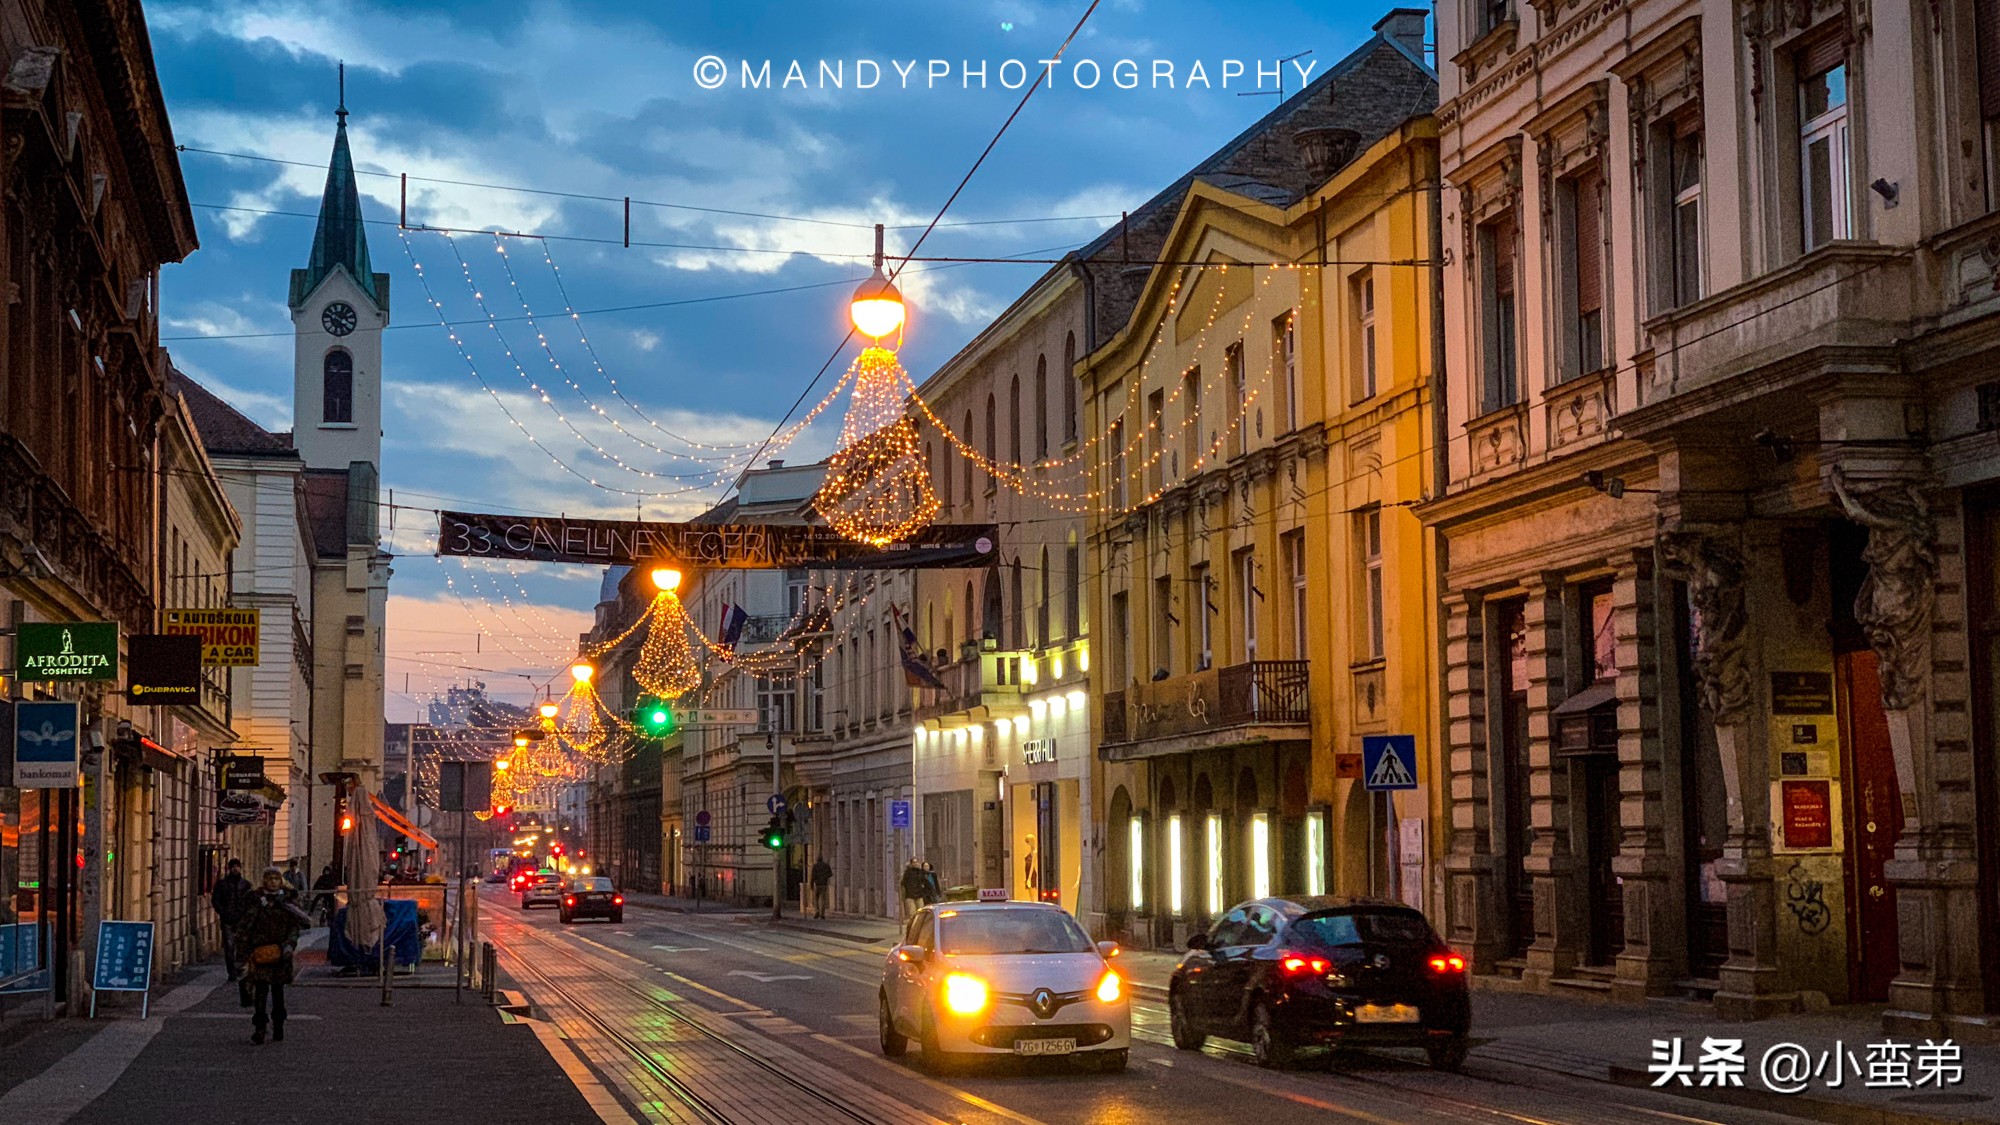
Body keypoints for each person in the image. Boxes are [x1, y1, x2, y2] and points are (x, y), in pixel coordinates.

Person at [233, 866, 311, 1044]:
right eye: (270, 878)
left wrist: (290, 944)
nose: (273, 882)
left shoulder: (288, 901)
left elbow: (296, 926)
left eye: (276, 878)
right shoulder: (254, 900)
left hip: (281, 953)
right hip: (260, 952)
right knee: (260, 992)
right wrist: (243, 953)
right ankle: (260, 1027)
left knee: (278, 992)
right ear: (264, 880)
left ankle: (278, 1024)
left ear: (281, 881)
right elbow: (245, 927)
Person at [210, 859, 252, 981]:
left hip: (242, 920)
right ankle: (232, 972)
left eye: (237, 866)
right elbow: (215, 900)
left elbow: (250, 901)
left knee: (241, 947)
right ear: (229, 868)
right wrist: (223, 912)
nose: (235, 869)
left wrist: (247, 915)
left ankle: (239, 969)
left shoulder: (246, 884)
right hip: (227, 920)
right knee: (229, 947)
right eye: (233, 866)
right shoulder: (222, 884)